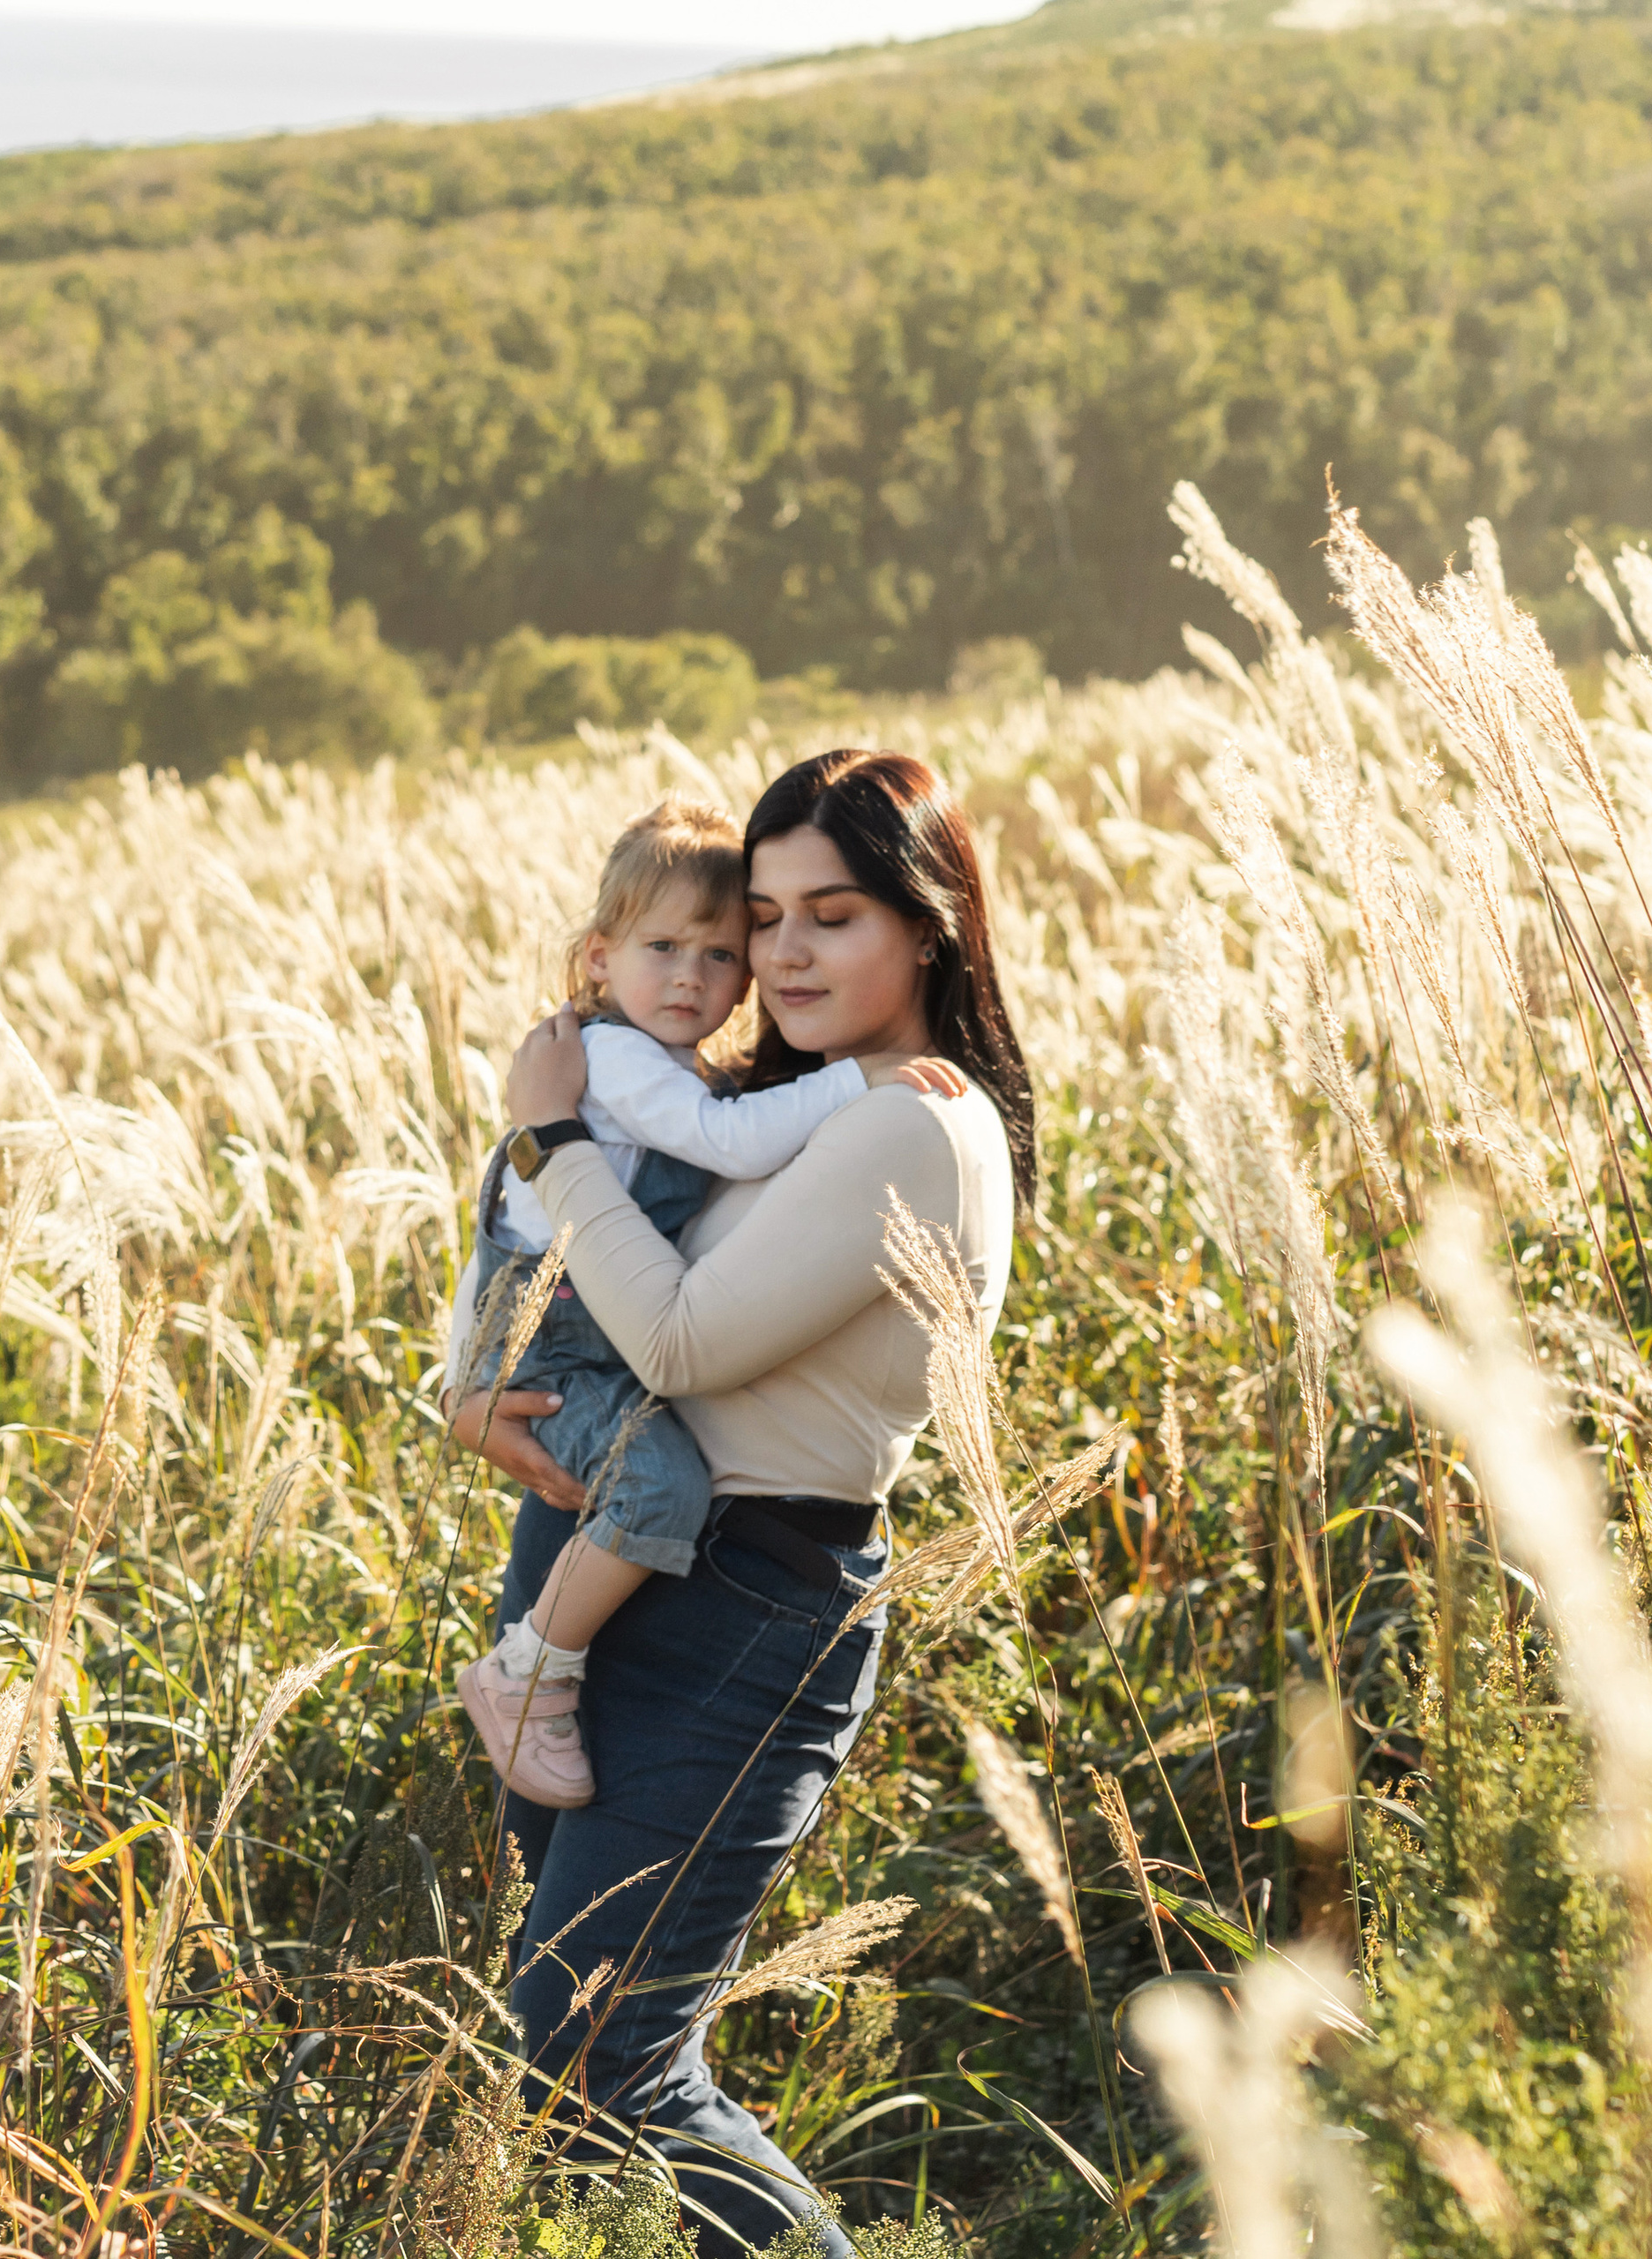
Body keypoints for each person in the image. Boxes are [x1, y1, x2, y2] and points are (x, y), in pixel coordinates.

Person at [448, 748, 1032, 2256]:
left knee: (608, 2061)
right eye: (762, 917)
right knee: (573, 2051)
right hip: (611, 1565)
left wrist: (554, 1134)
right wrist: (475, 1384)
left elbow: (682, 1340)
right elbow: (593, 1291)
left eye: (829, 915)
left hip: (747, 1598)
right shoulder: (782, 1098)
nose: (777, 954)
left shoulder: (913, 1123)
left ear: (933, 921)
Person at [450, 795, 955, 1807]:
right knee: (659, 1490)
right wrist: (863, 1078)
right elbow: (718, 1149)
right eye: (663, 947)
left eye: (723, 953)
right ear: (598, 956)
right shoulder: (619, 1061)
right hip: (566, 1352)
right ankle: (526, 1672)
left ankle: (537, 1662)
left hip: (583, 1360)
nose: (691, 975)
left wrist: (460, 1379)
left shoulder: (664, 1069)